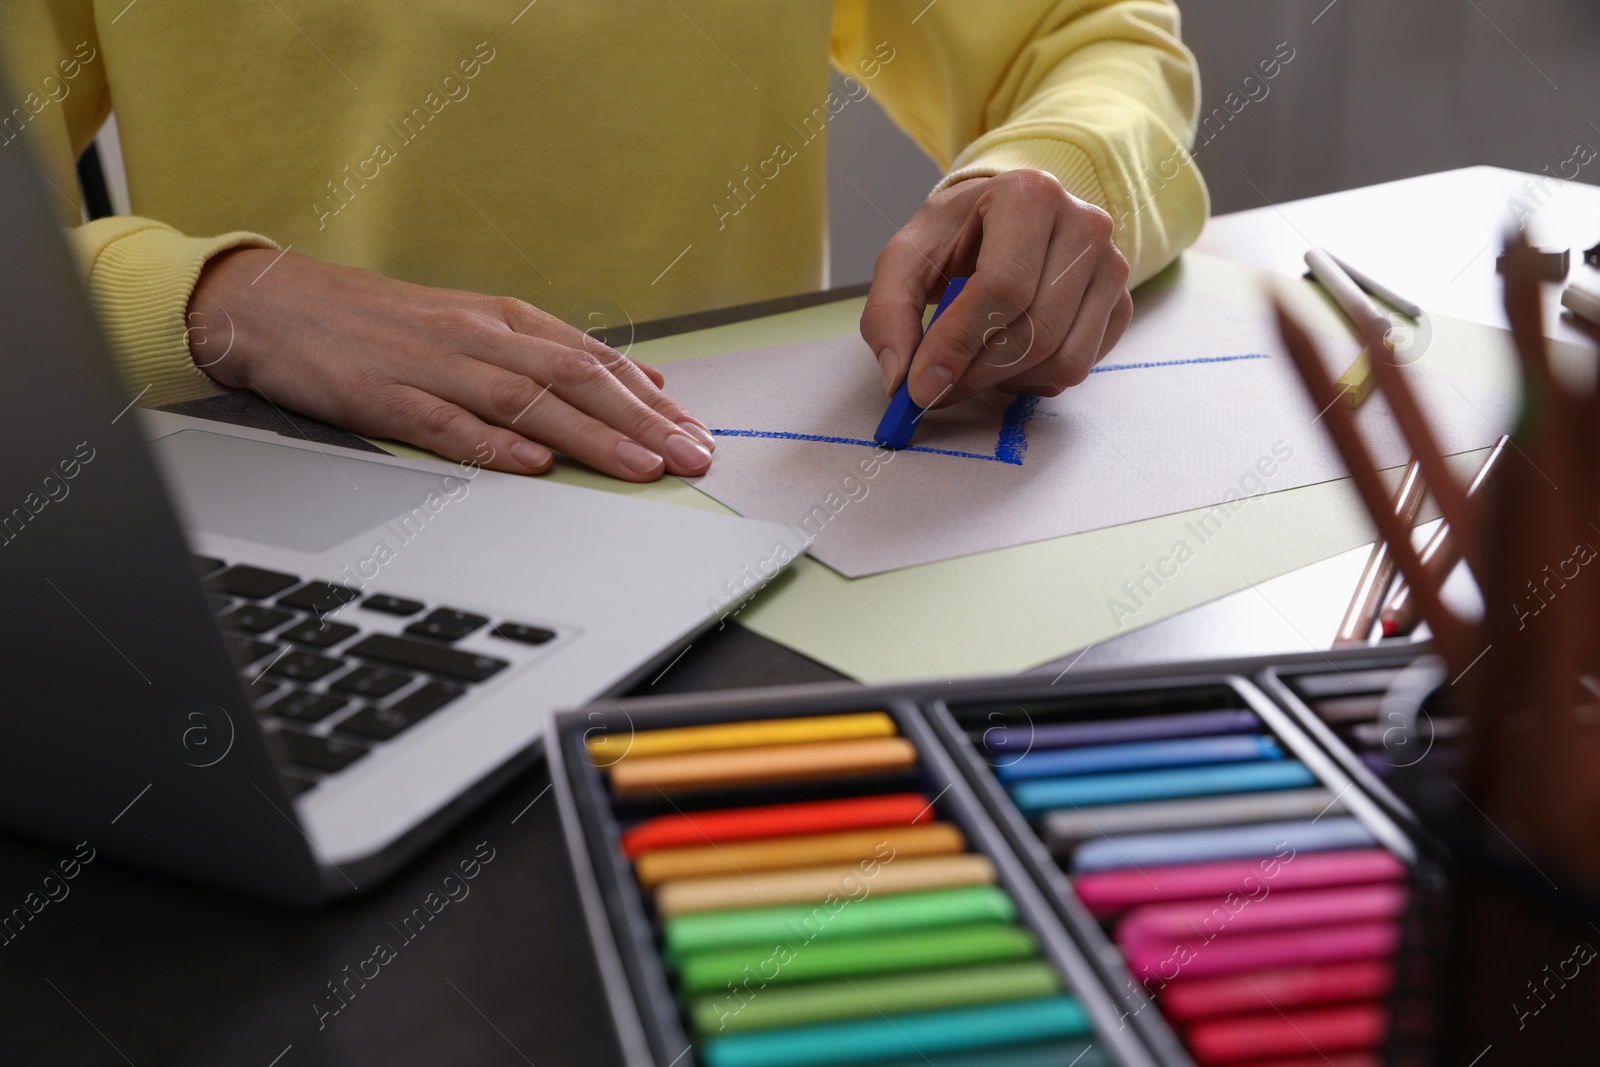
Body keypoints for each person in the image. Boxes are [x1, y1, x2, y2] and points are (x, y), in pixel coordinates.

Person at [3, 1, 1207, 482]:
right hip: (275, 508)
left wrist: (1052, 171)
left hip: (736, 518)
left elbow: (1087, 37)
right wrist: (212, 299)